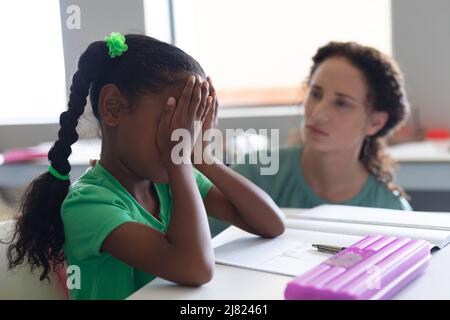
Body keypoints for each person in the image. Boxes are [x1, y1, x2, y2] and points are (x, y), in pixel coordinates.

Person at [4, 33, 284, 300]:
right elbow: (195, 267)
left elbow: (271, 224)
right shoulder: (88, 204)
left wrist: (204, 159)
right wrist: (181, 163)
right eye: (173, 123)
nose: (182, 138)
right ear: (113, 107)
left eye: (189, 126)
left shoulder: (167, 185)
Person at [233, 41, 412, 211]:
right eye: (316, 95)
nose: (318, 114)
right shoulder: (252, 174)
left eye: (341, 103)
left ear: (375, 122)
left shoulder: (391, 210)